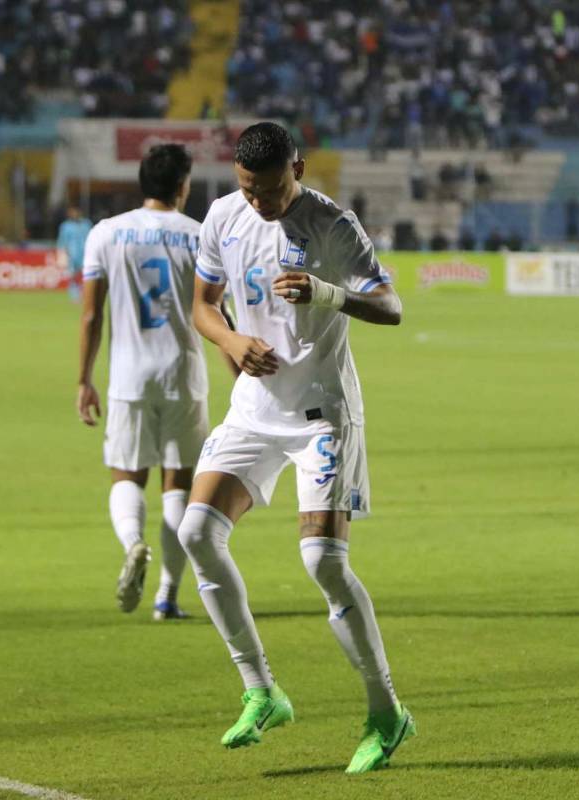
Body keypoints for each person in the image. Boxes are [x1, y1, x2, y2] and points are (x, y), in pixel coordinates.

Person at [176, 122, 412, 773]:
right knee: (196, 532)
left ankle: (387, 713)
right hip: (255, 410)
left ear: (298, 170)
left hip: (321, 415)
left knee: (323, 562)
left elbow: (391, 305)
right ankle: (262, 690)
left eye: (271, 189)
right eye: (249, 189)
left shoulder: (332, 224)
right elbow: (202, 307)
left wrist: (327, 292)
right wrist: (230, 341)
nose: (259, 202)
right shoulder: (223, 216)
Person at [75, 144, 210, 621]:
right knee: (178, 485)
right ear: (182, 186)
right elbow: (215, 310)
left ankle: (134, 543)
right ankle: (167, 595)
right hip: (183, 374)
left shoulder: (106, 233)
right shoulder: (199, 236)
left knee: (127, 475)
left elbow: (91, 315)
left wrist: (84, 379)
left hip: (129, 377)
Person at [58, 204, 93, 304]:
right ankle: (74, 296)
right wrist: (62, 254)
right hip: (72, 255)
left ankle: (85, 294)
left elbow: (92, 238)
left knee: (87, 275)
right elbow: (62, 241)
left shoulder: (87, 224)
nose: (74, 214)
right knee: (72, 276)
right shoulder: (65, 226)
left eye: (76, 212)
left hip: (86, 254)